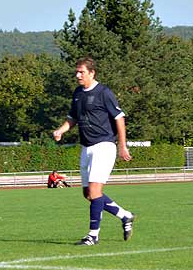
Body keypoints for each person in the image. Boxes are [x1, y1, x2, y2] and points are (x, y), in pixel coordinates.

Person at [53, 56, 135, 246]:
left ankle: (93, 235)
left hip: (104, 146)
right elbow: (72, 118)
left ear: (92, 73)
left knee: (95, 191)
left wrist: (122, 145)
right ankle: (125, 216)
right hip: (86, 147)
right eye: (76, 71)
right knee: (88, 194)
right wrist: (61, 130)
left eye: (81, 72)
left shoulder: (103, 92)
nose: (77, 75)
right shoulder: (78, 93)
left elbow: (119, 118)